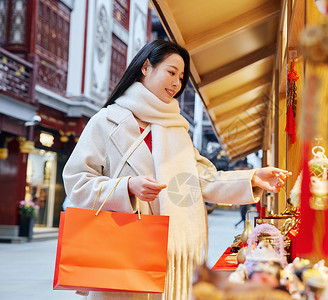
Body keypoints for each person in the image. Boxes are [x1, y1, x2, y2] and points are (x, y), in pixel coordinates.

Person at [62, 39, 291, 300]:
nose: (176, 83)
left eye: (181, 77)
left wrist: (251, 178)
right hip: (124, 251)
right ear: (146, 67)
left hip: (172, 258)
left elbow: (200, 180)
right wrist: (127, 187)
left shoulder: (177, 128)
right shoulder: (106, 121)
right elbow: (76, 181)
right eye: (171, 72)